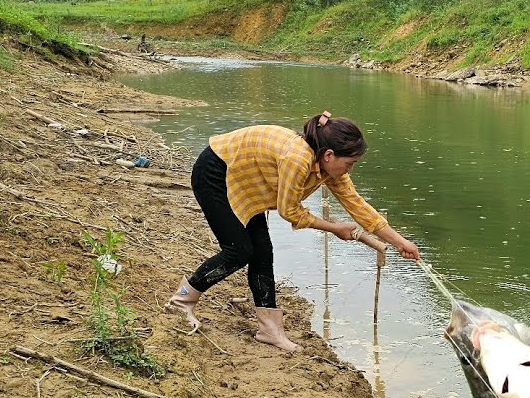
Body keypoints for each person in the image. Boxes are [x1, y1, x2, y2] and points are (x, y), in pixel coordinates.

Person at [166, 111, 420, 351]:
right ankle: (180, 302)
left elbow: (359, 207)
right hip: (215, 173)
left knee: (262, 251)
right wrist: (334, 228)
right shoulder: (297, 159)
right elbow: (290, 212)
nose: (350, 170)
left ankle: (269, 330)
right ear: (329, 155)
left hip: (248, 181)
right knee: (238, 251)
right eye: (349, 163)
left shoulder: (329, 168)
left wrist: (400, 242)